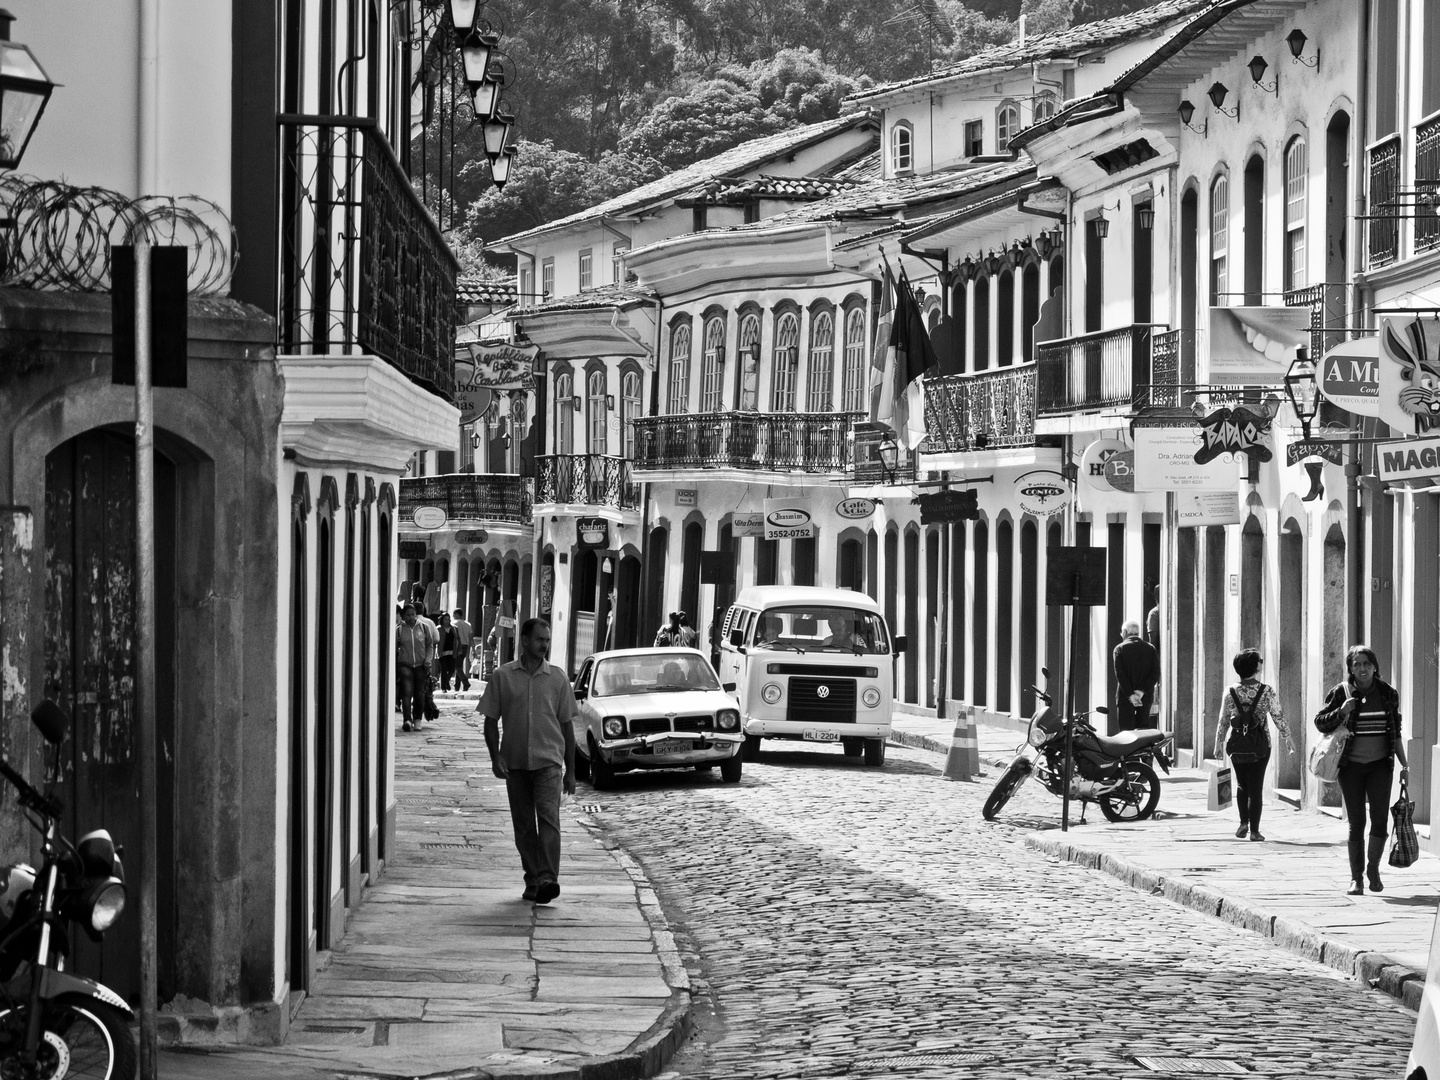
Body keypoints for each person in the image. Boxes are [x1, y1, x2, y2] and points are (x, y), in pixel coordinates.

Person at [478, 618, 577, 905]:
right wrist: (495, 756)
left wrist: (570, 772)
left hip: (548, 763)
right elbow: (490, 721)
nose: (544, 645)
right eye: (539, 640)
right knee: (523, 825)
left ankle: (547, 877)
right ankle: (533, 877)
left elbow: (568, 728)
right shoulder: (503, 676)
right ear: (524, 640)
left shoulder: (558, 679)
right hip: (516, 764)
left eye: (547, 640)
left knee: (549, 819)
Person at [1314, 645, 1410, 896]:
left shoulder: (1388, 693)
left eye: (1366, 663)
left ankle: (1373, 870)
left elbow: (1395, 731)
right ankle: (1356, 878)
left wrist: (1404, 764)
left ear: (1375, 666)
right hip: (1350, 766)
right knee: (1357, 822)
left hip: (1380, 765)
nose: (1362, 668)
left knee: (1379, 819)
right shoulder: (1341, 692)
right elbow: (1320, 722)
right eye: (1356, 664)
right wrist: (1341, 711)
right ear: (1350, 669)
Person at [1213, 649, 1295, 842]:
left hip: (1237, 743)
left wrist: (1218, 743)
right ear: (1255, 666)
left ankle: (1243, 823)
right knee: (1256, 787)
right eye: (1260, 660)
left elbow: (1223, 720)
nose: (1261, 662)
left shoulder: (1230, 691)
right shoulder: (1266, 691)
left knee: (1242, 784)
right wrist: (1287, 737)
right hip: (1261, 745)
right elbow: (1277, 716)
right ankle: (1255, 831)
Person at [1112, 620, 1160, 731]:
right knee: (1142, 731)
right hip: (1145, 696)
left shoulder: (1119, 649)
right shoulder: (1150, 648)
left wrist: (1131, 694)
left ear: (1124, 632)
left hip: (1125, 696)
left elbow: (1120, 674)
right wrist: (1141, 691)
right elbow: (1155, 673)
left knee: (1126, 733)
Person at [395, 605, 431, 732]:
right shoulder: (399, 630)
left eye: (413, 614)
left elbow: (429, 646)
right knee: (407, 692)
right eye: (408, 614)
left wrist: (428, 660)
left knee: (419, 693)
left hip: (421, 665)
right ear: (404, 615)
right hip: (405, 664)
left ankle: (417, 719)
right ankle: (407, 719)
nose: (411, 617)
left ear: (416, 614)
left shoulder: (424, 628)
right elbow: (395, 648)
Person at [452, 608, 474, 691]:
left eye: (453, 614)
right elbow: (471, 638)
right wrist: (473, 649)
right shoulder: (468, 624)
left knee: (456, 666)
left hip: (457, 647)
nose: (453, 616)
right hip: (465, 646)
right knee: (459, 665)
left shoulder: (453, 624)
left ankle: (465, 682)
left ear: (457, 614)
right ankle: (457, 686)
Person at [437, 614, 459, 692]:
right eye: (445, 619)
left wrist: (459, 650)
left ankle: (445, 682)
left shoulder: (454, 629)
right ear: (442, 620)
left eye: (448, 619)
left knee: (452, 670)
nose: (447, 621)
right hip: (442, 653)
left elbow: (457, 640)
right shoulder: (439, 629)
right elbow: (436, 640)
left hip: (452, 652)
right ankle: (443, 687)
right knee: (444, 669)